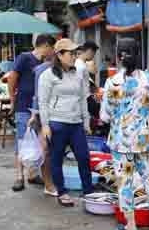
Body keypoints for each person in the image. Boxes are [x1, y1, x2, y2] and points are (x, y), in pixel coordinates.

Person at [100, 53, 149, 230]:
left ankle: (130, 224)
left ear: (119, 57)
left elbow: (104, 116)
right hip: (145, 139)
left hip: (121, 142)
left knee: (125, 182)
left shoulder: (113, 82)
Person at [38, 39, 94, 207]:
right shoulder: (47, 75)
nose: (73, 57)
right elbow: (43, 102)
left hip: (76, 123)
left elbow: (83, 98)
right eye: (70, 53)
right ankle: (62, 192)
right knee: (56, 158)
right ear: (60, 55)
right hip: (57, 123)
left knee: (84, 157)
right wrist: (45, 125)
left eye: (75, 53)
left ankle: (88, 191)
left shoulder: (78, 73)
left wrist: (87, 122)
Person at [7, 34, 56, 192]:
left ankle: (32, 174)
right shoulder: (25, 58)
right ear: (46, 45)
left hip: (41, 109)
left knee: (40, 144)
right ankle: (19, 177)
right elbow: (12, 78)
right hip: (24, 106)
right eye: (52, 48)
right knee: (22, 141)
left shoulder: (47, 63)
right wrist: (12, 99)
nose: (53, 52)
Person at [28, 54, 57, 197]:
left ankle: (51, 182)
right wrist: (34, 115)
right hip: (44, 115)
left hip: (58, 115)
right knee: (46, 150)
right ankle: (48, 184)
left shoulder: (69, 69)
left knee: (52, 150)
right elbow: (37, 95)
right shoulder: (44, 69)